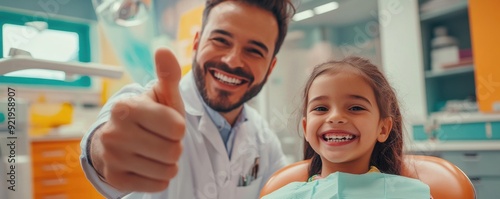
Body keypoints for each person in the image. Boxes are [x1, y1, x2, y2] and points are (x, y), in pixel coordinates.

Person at [80, 0, 296, 199]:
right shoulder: (151, 104)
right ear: (196, 42)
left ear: (271, 68)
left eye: (254, 51)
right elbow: (104, 143)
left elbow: (285, 189)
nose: (232, 61)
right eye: (220, 40)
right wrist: (105, 151)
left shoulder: (263, 136)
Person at [262, 57, 431, 198]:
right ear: (306, 128)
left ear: (383, 129)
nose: (335, 117)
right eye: (321, 108)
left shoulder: (414, 195)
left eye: (355, 108)